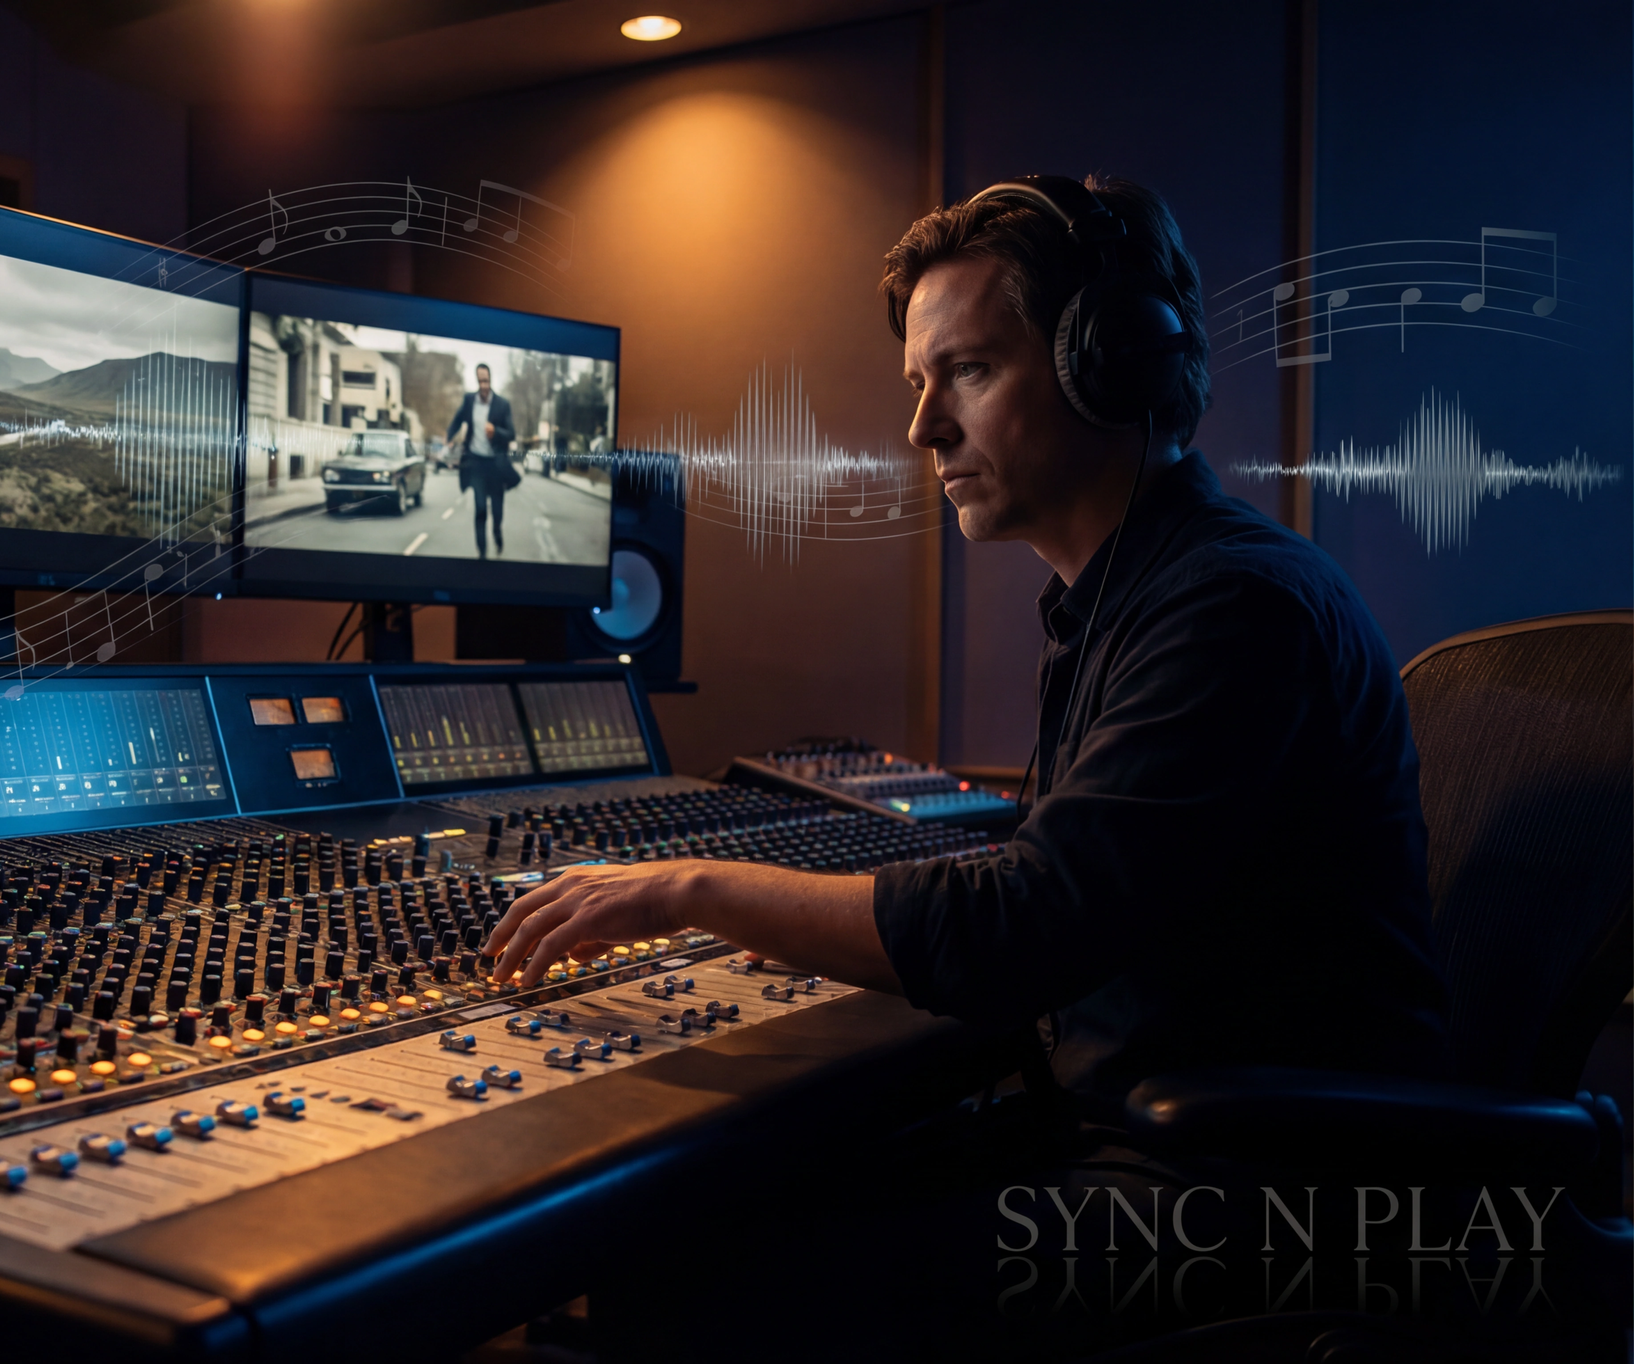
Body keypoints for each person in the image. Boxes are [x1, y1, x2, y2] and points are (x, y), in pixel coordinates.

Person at [490, 175, 1451, 1357]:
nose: (922, 428)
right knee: (732, 1208)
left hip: (1248, 1191)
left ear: (1112, 366)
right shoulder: (1125, 601)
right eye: (917, 383)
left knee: (699, 1268)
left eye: (970, 372)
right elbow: (1061, 883)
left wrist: (690, 886)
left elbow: (1020, 926)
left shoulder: (1229, 608)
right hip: (1164, 1140)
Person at [445, 362, 519, 557]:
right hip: (476, 462)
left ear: (491, 380)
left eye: (486, 381)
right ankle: (482, 551)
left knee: (496, 511)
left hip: (495, 465)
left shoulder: (502, 404)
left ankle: (497, 532)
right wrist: (449, 436)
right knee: (479, 508)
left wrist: (496, 431)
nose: (483, 386)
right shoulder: (469, 400)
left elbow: (512, 434)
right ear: (477, 381)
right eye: (480, 381)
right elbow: (457, 419)